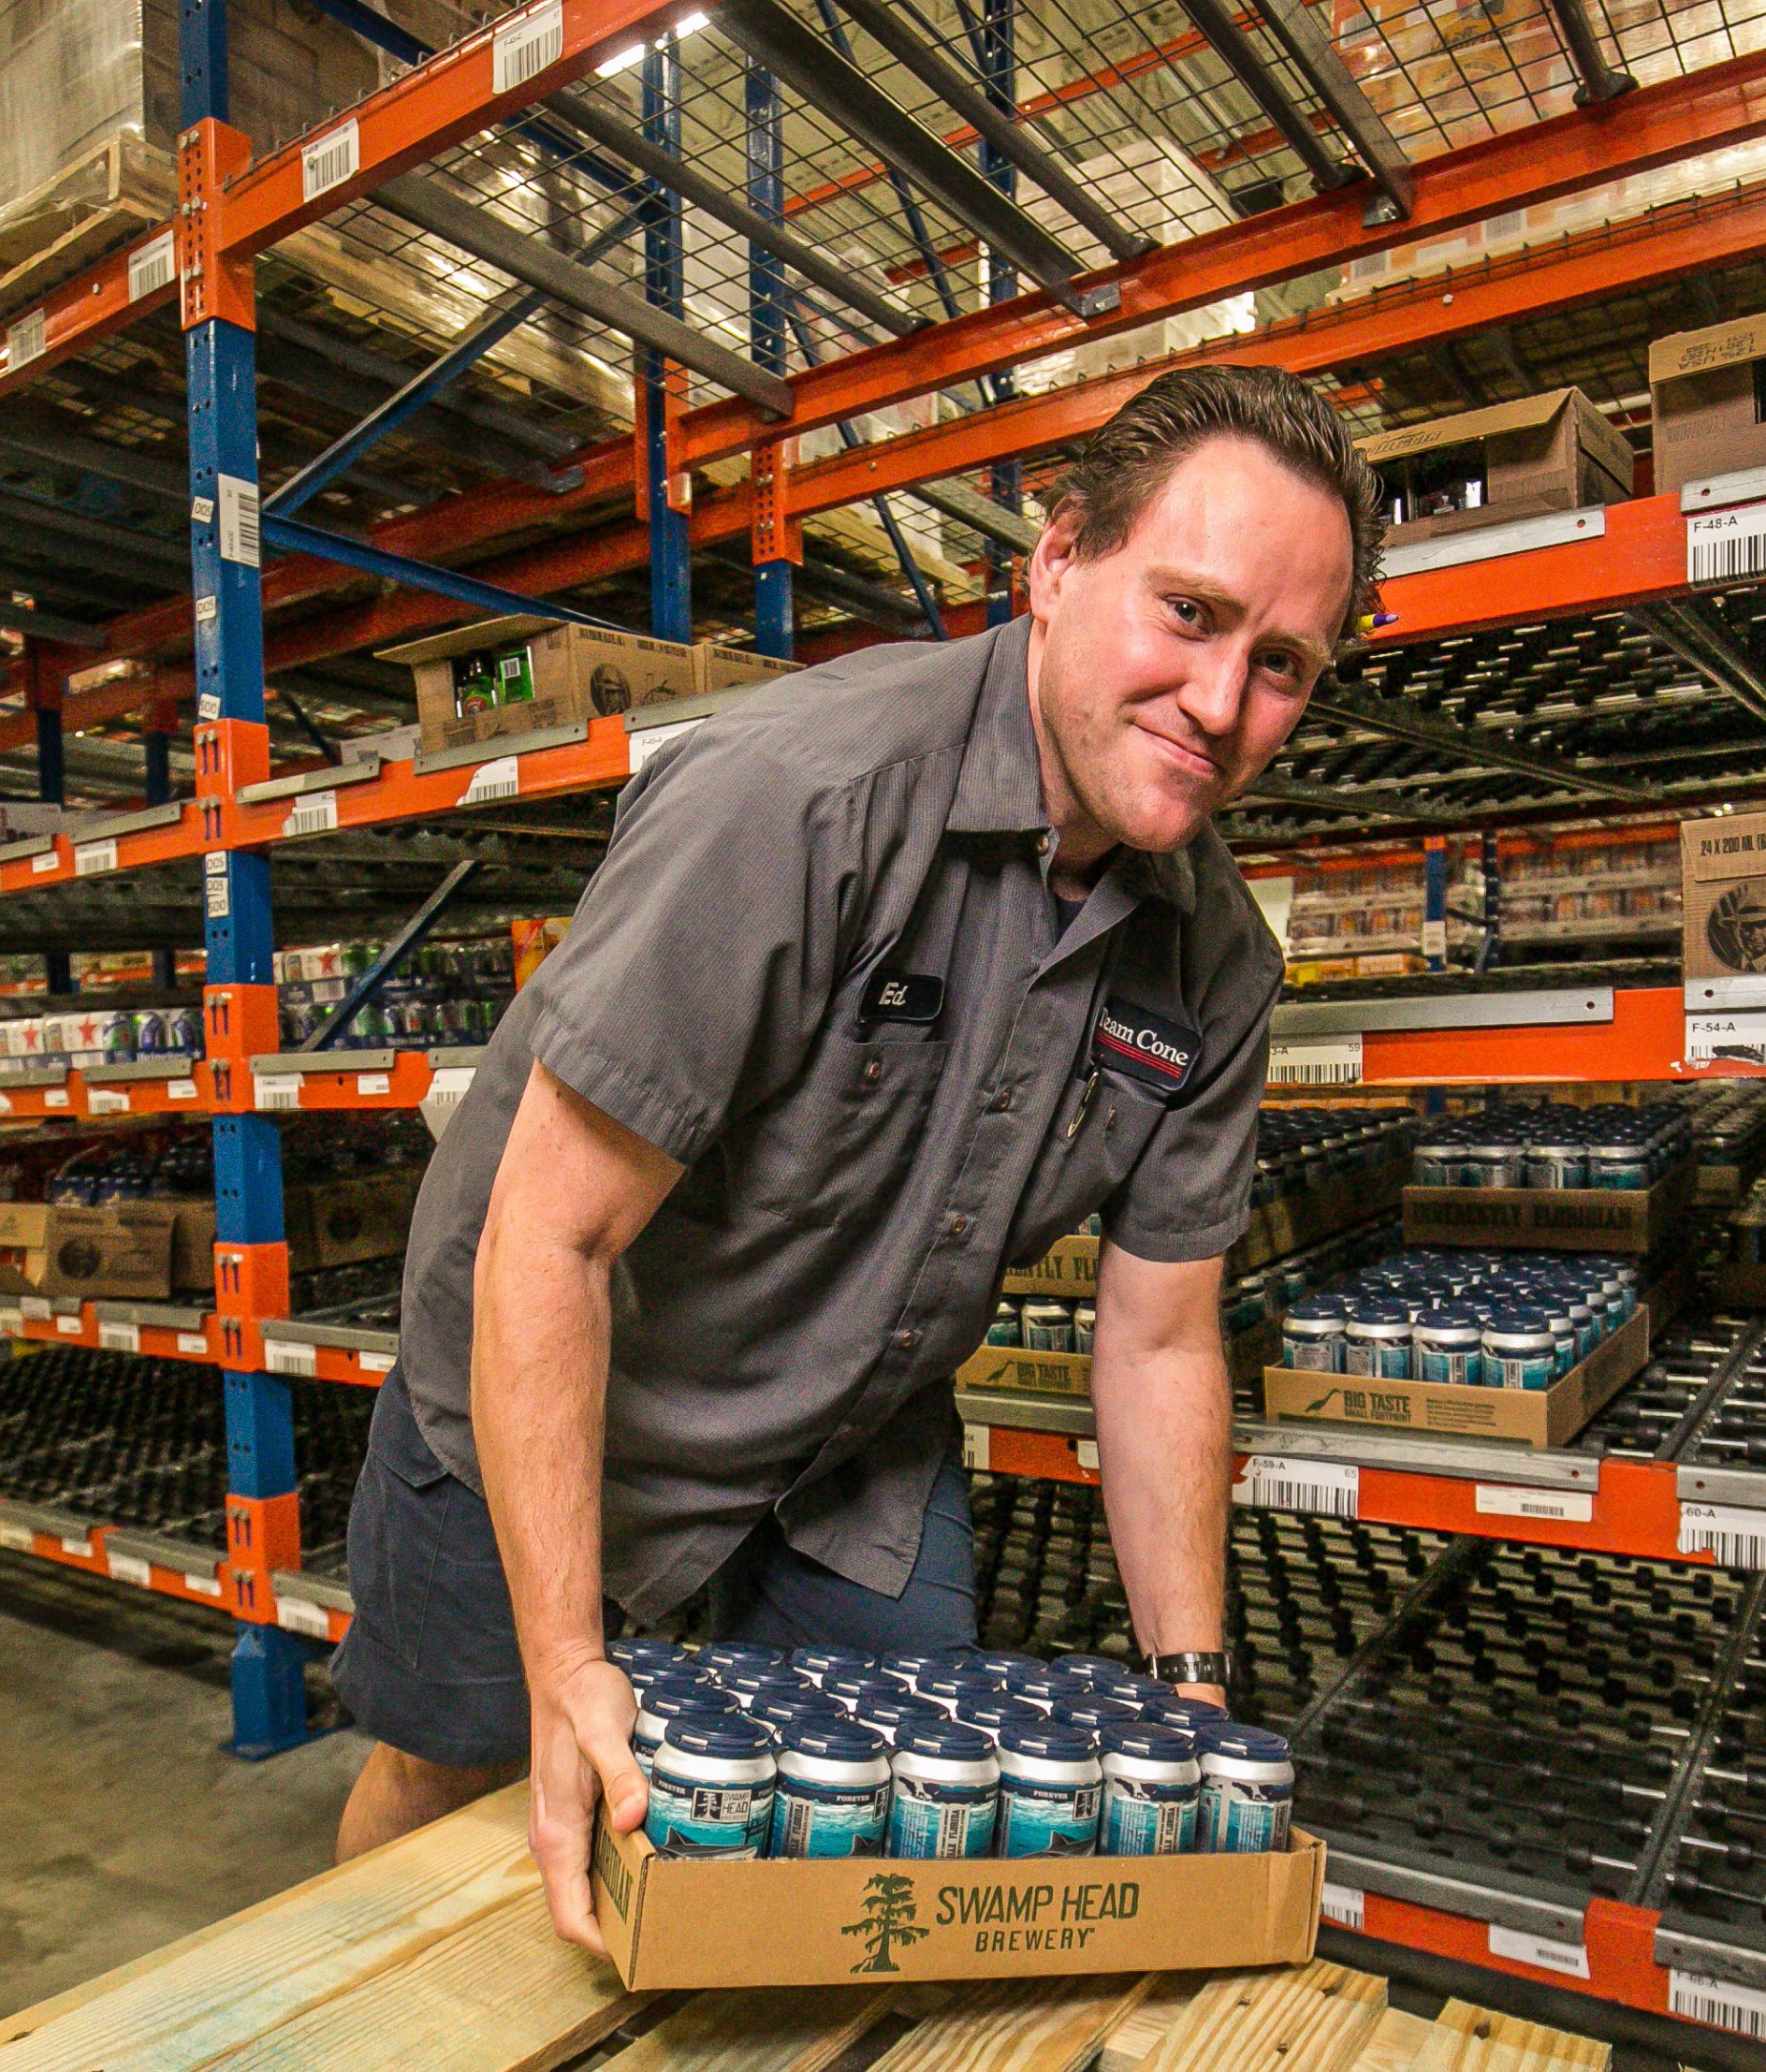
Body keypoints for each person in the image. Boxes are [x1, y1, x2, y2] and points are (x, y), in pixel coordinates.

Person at [329, 365, 1381, 1948]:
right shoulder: (798, 799)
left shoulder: (1216, 964)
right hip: (558, 1383)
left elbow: (1159, 1339)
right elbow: (547, 1238)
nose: (1224, 706)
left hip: (846, 1434)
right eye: (1189, 612)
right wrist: (563, 1670)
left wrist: (1192, 1707)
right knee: (457, 1786)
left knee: (882, 1841)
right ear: (1057, 561)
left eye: (1282, 662)